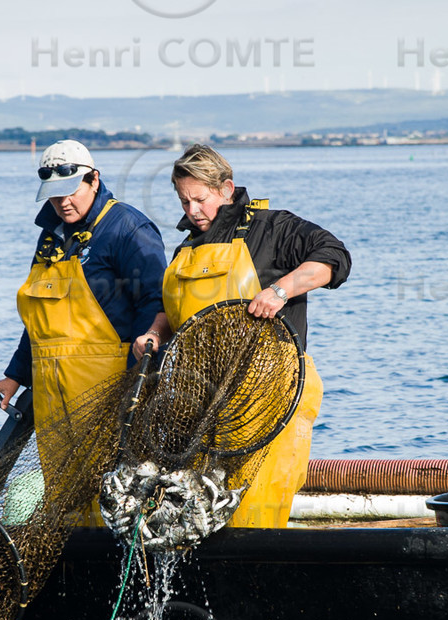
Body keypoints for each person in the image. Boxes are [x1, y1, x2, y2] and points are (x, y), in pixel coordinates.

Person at [140, 143, 351, 527]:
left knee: (255, 510)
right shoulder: (187, 246)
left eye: (200, 200)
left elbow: (334, 257)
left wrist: (281, 290)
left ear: (225, 188)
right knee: (202, 515)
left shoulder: (272, 228)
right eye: (184, 201)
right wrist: (154, 333)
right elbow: (172, 309)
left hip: (270, 393)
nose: (192, 211)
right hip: (206, 401)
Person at [0, 140, 168, 517]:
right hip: (52, 391)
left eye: (70, 192)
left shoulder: (127, 228)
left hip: (105, 387)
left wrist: (139, 384)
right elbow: (40, 317)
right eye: (53, 197)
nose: (62, 203)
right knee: (63, 498)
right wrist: (15, 376)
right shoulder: (50, 236)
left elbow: (156, 302)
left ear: (93, 180)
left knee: (109, 492)